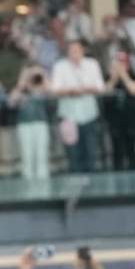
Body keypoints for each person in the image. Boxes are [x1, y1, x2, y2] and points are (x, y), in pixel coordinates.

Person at [50, 40, 104, 173]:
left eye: (77, 50)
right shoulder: (60, 66)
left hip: (89, 115)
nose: (74, 53)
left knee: (91, 154)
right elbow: (55, 89)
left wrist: (86, 89)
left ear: (82, 51)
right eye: (71, 50)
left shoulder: (92, 64)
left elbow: (100, 86)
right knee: (73, 157)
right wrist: (71, 91)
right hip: (68, 117)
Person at [104, 50, 135, 171]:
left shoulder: (134, 76)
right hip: (114, 121)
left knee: (132, 150)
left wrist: (123, 74)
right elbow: (105, 92)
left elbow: (134, 90)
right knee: (117, 152)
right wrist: (114, 77)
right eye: (118, 62)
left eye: (123, 62)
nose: (120, 65)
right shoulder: (108, 78)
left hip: (131, 120)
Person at [9, 63, 52, 180]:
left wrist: (41, 74)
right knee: (26, 155)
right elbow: (11, 102)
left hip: (41, 123)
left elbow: (52, 91)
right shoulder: (21, 90)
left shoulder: (41, 87)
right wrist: (22, 82)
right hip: (24, 125)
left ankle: (43, 183)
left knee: (42, 155)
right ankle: (28, 181)